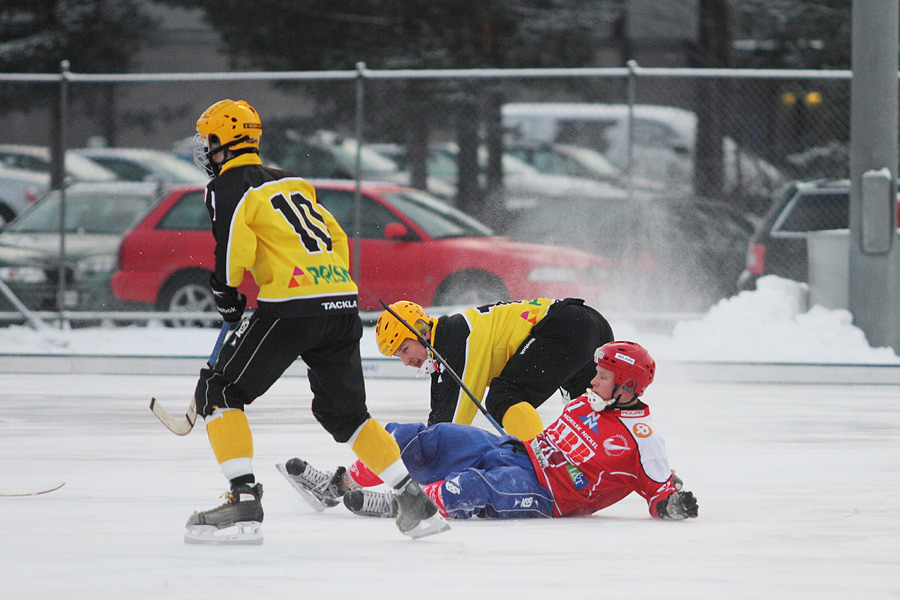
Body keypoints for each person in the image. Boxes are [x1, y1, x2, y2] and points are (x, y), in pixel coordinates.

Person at [183, 99, 448, 543]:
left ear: (221, 142)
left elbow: (234, 247)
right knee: (347, 415)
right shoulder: (292, 182)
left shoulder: (228, 186)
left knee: (218, 390)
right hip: (340, 301)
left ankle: (243, 501)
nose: (205, 150)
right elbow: (336, 236)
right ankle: (414, 501)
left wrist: (226, 293)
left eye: (208, 141)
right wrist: (330, 285)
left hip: (292, 305)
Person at [283, 341, 699, 522]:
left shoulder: (641, 439)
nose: (592, 381)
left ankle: (398, 505)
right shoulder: (586, 401)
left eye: (604, 376)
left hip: (546, 492)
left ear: (628, 387)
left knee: (471, 488)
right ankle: (339, 485)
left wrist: (674, 502)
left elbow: (661, 491)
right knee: (429, 437)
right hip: (516, 451)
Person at [375, 298, 614, 440]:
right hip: (586, 322)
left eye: (405, 349)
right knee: (586, 411)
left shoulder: (454, 342)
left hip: (568, 326)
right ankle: (603, 460)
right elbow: (440, 419)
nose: (406, 361)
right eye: (398, 356)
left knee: (504, 396)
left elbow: (448, 426)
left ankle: (537, 467)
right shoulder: (449, 340)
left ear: (421, 330)